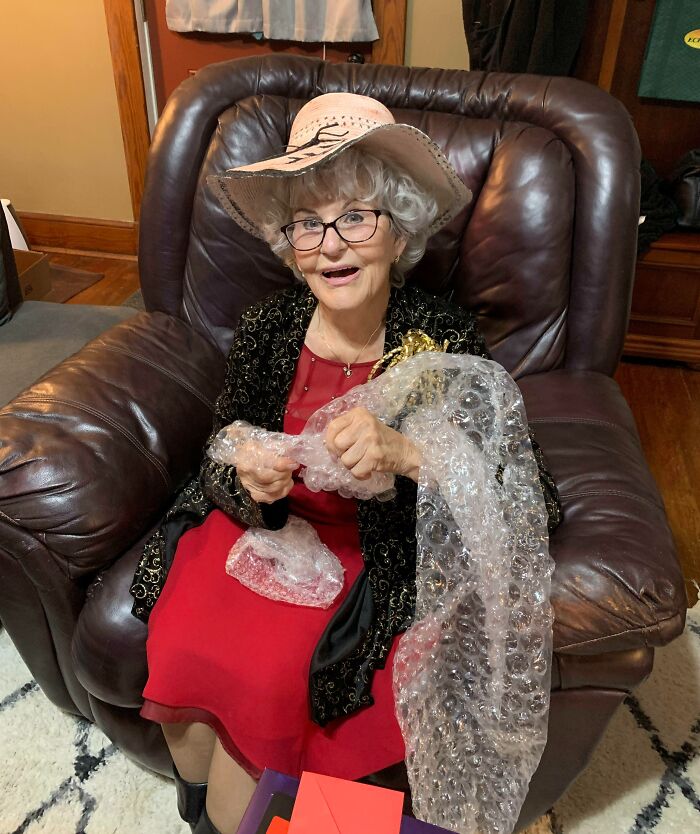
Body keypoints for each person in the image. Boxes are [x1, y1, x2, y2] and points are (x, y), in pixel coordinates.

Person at [130, 92, 561, 834]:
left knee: (269, 683)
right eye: (307, 224)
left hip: (369, 563)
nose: (330, 244)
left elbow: (533, 499)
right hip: (258, 540)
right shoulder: (270, 327)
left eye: (356, 217)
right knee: (180, 641)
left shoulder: (441, 342)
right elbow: (217, 452)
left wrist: (411, 455)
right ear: (288, 242)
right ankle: (197, 809)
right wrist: (251, 477)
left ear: (398, 235)